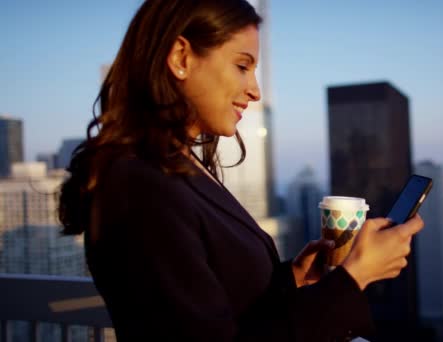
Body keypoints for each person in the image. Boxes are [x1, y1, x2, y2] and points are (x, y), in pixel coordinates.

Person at [58, 0, 424, 341]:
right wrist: (353, 276)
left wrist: (290, 278)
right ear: (181, 57)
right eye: (242, 66)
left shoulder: (179, 165)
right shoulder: (138, 185)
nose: (255, 91)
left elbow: (216, 298)